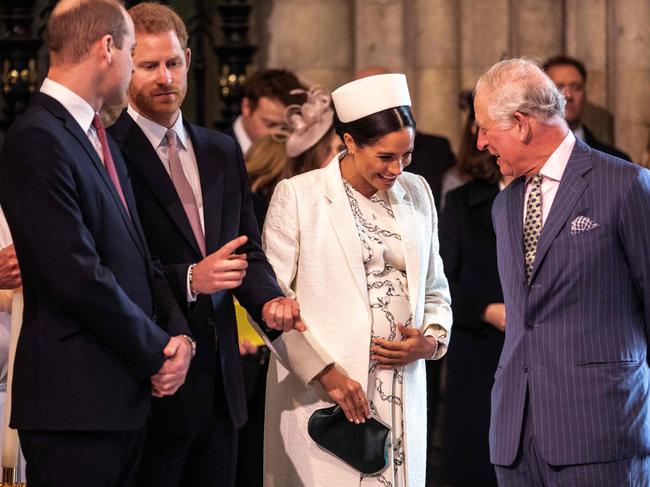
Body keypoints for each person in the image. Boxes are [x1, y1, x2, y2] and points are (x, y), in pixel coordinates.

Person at [107, 4, 304, 487]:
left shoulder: (219, 149)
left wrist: (271, 299)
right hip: (152, 380)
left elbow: (246, 252)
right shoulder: (108, 153)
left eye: (172, 63)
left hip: (223, 387)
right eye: (149, 66)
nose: (164, 77)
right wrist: (192, 279)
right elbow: (112, 269)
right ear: (126, 65)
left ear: (189, 59)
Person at [0, 1, 195, 485]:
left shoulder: (95, 134)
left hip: (118, 400)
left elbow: (137, 253)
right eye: (133, 52)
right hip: (73, 404)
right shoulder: (38, 137)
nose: (133, 66)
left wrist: (179, 337)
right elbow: (76, 275)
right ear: (107, 48)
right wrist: (157, 349)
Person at [262, 73, 453, 486]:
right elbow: (270, 307)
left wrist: (432, 340)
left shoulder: (417, 191)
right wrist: (326, 373)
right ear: (349, 142)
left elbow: (436, 286)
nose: (397, 169)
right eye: (385, 157)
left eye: (407, 155)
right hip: (326, 396)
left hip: (401, 389)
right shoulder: (299, 196)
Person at [474, 58, 650, 485]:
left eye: (485, 128)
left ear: (521, 124)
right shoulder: (504, 204)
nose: (480, 142)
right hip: (515, 438)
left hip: (602, 431)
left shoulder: (626, 185)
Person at [439, 93, 509, 487]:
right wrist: (485, 310)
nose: (481, 142)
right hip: (480, 349)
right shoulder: (464, 202)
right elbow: (441, 281)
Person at [543, 55, 631, 161]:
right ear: (543, 95)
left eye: (575, 87)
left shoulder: (617, 162)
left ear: (584, 94)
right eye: (558, 87)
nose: (568, 95)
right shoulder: (524, 158)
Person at [224, 69, 305, 155]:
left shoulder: (298, 154)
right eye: (270, 125)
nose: (278, 135)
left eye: (285, 127)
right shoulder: (215, 151)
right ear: (246, 107)